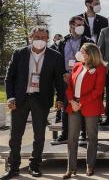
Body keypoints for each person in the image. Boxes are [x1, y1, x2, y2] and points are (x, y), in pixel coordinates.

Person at [1, 26, 65, 180]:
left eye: (43, 38)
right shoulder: (19, 53)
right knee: (15, 135)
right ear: (30, 37)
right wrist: (10, 97)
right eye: (37, 36)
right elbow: (9, 78)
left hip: (41, 99)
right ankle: (13, 167)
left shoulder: (55, 56)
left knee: (39, 136)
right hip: (20, 99)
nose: (40, 40)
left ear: (47, 39)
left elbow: (59, 81)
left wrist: (61, 99)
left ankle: (34, 165)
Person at [63, 43, 106, 179]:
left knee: (92, 137)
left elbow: (98, 91)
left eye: (82, 52)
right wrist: (72, 101)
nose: (80, 54)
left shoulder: (100, 68)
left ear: (91, 54)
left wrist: (80, 102)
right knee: (72, 138)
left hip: (90, 105)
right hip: (73, 104)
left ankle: (90, 165)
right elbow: (69, 86)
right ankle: (71, 168)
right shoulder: (76, 66)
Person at [54, 16, 94, 143]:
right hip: (66, 79)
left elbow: (93, 60)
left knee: (81, 105)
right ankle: (65, 133)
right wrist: (63, 75)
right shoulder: (62, 42)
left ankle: (83, 133)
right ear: (71, 26)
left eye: (83, 24)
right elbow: (58, 61)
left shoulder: (89, 42)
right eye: (78, 24)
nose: (81, 27)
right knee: (66, 107)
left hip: (82, 78)